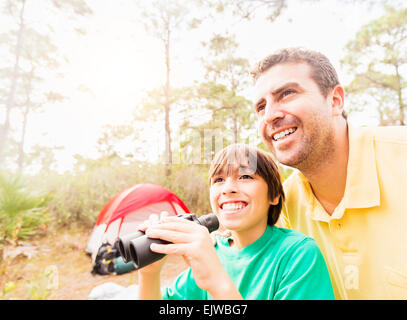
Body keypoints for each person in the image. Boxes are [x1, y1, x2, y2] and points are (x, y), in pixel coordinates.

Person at [250, 47, 407, 299]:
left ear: (335, 101)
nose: (269, 115)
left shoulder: (402, 159)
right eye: (260, 107)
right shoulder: (283, 203)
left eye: (287, 93)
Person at [137, 143, 334, 300]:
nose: (227, 189)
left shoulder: (298, 254)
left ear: (273, 195)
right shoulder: (213, 250)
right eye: (219, 180)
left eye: (245, 176)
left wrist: (216, 282)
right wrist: (149, 274)